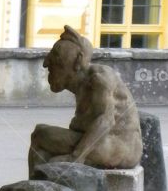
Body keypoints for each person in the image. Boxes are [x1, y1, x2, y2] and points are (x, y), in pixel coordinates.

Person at [28, 24, 142, 175]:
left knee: (40, 135)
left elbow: (105, 121)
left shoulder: (99, 78)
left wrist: (75, 158)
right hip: (105, 144)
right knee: (43, 153)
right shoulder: (83, 83)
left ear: (78, 61)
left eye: (56, 56)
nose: (46, 64)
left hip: (120, 147)